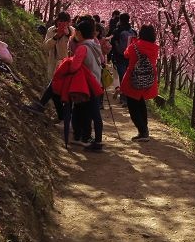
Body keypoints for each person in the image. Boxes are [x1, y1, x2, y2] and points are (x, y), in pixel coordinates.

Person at [51, 19, 105, 151]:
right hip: (96, 82)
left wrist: (67, 62)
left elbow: (74, 67)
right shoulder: (95, 45)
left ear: (79, 33)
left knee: (83, 111)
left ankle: (91, 141)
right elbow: (102, 61)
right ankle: (86, 138)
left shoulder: (82, 48)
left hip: (85, 85)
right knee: (90, 112)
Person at [121, 24, 159, 142]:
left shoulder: (135, 46)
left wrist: (131, 43)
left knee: (133, 106)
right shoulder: (155, 48)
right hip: (147, 79)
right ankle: (144, 129)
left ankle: (143, 131)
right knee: (141, 103)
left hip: (134, 79)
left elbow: (126, 54)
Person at [111, 12, 137, 89]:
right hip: (131, 57)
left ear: (120, 20)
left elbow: (112, 43)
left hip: (119, 56)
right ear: (129, 20)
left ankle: (123, 95)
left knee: (122, 76)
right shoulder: (133, 31)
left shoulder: (117, 31)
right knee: (130, 76)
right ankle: (129, 94)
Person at [43, 13, 73, 79]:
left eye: (66, 22)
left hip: (67, 64)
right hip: (53, 62)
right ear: (57, 21)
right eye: (61, 21)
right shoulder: (51, 30)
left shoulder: (72, 30)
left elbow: (75, 47)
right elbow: (45, 47)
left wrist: (68, 35)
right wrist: (55, 37)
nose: (63, 23)